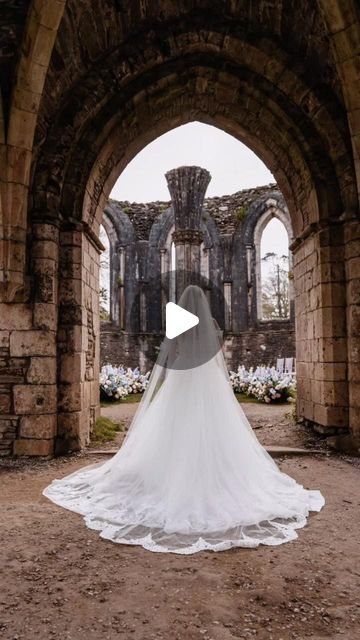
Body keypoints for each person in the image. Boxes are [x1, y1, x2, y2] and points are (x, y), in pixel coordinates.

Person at [43, 285, 324, 554]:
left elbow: (172, 352)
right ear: (202, 303)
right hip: (207, 380)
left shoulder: (179, 322)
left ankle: (168, 473)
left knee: (172, 425)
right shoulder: (211, 323)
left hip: (183, 376)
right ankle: (216, 474)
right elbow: (216, 356)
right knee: (214, 426)